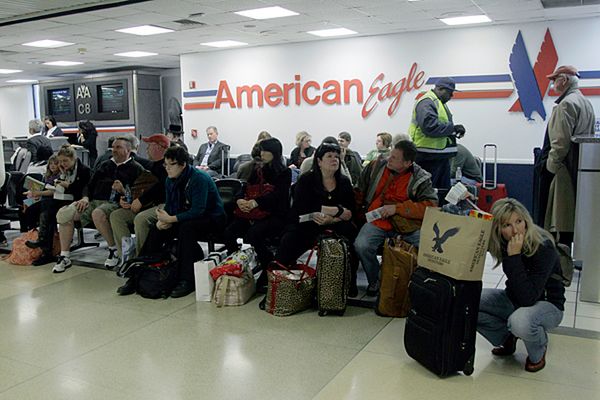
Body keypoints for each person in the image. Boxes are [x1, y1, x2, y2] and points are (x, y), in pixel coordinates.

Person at [117, 146, 226, 298]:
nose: (167, 168)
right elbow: (171, 205)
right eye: (165, 165)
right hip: (184, 216)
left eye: (171, 164)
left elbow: (198, 210)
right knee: (156, 230)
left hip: (211, 218)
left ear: (183, 164)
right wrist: (164, 219)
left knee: (186, 229)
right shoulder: (170, 180)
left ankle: (186, 279)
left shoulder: (198, 178)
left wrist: (172, 219)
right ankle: (137, 274)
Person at [477, 198, 565, 373]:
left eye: (519, 221)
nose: (515, 230)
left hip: (548, 305)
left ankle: (538, 351)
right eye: (507, 225)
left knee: (519, 321)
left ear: (526, 220)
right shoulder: (503, 242)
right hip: (514, 297)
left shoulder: (543, 246)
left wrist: (514, 257)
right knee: (468, 301)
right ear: (499, 229)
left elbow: (528, 298)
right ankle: (506, 338)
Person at [354, 140, 437, 295]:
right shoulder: (375, 167)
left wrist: (397, 208)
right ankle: (377, 281)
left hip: (407, 224)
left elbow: (430, 206)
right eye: (390, 155)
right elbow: (359, 191)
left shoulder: (421, 177)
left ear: (407, 163)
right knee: (362, 245)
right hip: (377, 221)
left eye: (394, 158)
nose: (388, 159)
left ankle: (419, 286)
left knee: (431, 248)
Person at [274, 142, 358, 294]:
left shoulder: (344, 182)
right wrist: (337, 210)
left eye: (337, 157)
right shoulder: (307, 179)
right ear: (319, 161)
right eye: (330, 156)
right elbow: (302, 208)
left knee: (351, 239)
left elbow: (350, 212)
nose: (335, 160)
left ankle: (347, 284)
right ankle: (281, 281)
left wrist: (331, 218)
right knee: (289, 239)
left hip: (336, 224)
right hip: (308, 222)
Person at [53, 137, 144, 273]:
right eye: (113, 147)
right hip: (94, 200)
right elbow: (90, 184)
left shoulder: (136, 168)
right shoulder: (105, 165)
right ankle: (65, 256)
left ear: (128, 150)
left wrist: (123, 191)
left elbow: (139, 192)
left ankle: (113, 249)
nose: (114, 150)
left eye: (118, 147)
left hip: (114, 203)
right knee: (64, 214)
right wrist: (85, 197)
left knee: (98, 213)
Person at [536, 65, 596, 248]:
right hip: (577, 169)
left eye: (555, 80)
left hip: (561, 174)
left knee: (556, 224)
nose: (553, 84)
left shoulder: (566, 104)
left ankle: (558, 270)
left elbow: (560, 143)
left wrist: (549, 169)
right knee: (568, 223)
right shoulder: (585, 102)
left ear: (564, 80)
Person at [223, 138, 291, 287]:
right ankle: (237, 262)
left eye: (265, 150)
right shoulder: (256, 169)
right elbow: (245, 188)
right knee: (229, 232)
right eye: (261, 150)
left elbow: (278, 197)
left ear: (274, 152)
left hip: (274, 214)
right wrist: (240, 200)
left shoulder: (284, 172)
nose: (262, 153)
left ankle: (268, 264)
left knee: (254, 233)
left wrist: (256, 202)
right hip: (252, 212)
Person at [25, 145, 91, 265]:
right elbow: (59, 188)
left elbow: (83, 189)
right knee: (41, 207)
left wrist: (68, 185)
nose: (62, 164)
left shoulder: (84, 170)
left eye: (65, 161)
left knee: (48, 207)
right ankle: (44, 244)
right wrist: (62, 174)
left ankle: (44, 243)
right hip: (62, 198)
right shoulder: (63, 170)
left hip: (76, 199)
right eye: (60, 161)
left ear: (73, 159)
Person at [110, 134, 169, 260]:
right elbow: (137, 187)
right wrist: (126, 197)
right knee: (116, 216)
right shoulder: (149, 166)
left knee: (141, 219)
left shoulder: (168, 166)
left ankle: (143, 259)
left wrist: (141, 200)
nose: (146, 149)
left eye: (149, 146)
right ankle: (126, 258)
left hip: (163, 205)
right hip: (146, 205)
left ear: (159, 147)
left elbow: (162, 188)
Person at [408, 77, 465, 190]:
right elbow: (429, 127)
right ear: (439, 88)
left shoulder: (438, 102)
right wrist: (453, 128)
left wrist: (454, 130)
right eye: (449, 92)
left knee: (441, 193)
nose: (451, 96)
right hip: (427, 157)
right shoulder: (427, 102)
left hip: (438, 156)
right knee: (427, 193)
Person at [19, 155, 61, 232]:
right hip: (42, 196)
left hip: (52, 199)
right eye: (51, 163)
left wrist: (37, 193)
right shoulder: (48, 176)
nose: (52, 166)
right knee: (23, 205)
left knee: (32, 207)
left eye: (55, 164)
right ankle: (26, 231)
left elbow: (53, 192)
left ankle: (33, 229)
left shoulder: (60, 177)